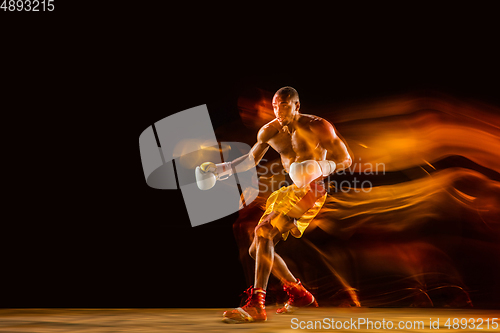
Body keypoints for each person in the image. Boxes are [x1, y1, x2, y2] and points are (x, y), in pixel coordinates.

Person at [197, 86, 352, 323]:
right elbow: (251, 160)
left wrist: (321, 168)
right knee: (256, 248)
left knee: (264, 232)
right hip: (290, 191)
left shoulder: (318, 126)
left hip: (312, 190)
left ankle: (257, 304)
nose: (279, 111)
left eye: (285, 106)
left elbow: (346, 159)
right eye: (275, 106)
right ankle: (301, 295)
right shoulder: (269, 131)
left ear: (297, 106)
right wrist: (221, 170)